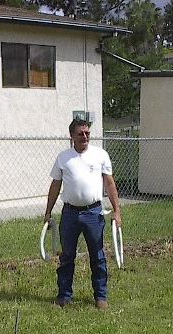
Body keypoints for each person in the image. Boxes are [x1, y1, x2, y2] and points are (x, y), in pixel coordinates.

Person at [44, 118, 121, 310]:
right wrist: (47, 212)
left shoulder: (100, 155)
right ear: (72, 136)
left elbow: (110, 184)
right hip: (70, 214)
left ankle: (100, 296)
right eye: (80, 133)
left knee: (97, 255)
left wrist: (117, 211)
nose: (85, 136)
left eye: (87, 133)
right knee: (67, 256)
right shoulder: (63, 158)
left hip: (93, 213)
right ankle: (64, 296)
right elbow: (55, 186)